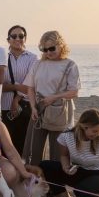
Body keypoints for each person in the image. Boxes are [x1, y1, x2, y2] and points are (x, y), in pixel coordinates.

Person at [23, 31, 80, 164]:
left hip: (60, 112)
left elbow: (74, 92)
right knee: (32, 151)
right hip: (38, 109)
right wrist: (32, 107)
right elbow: (30, 88)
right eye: (44, 49)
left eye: (52, 48)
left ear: (61, 45)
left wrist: (54, 97)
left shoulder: (70, 65)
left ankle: (55, 183)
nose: (48, 52)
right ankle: (32, 182)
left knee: (57, 154)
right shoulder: (38, 64)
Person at [1, 25, 37, 151]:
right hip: (4, 106)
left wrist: (16, 99)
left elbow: (30, 85)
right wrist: (17, 86)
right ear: (8, 39)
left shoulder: (32, 58)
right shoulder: (2, 57)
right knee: (6, 144)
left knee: (23, 144)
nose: (18, 38)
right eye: (14, 36)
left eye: (21, 36)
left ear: (25, 38)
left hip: (25, 105)